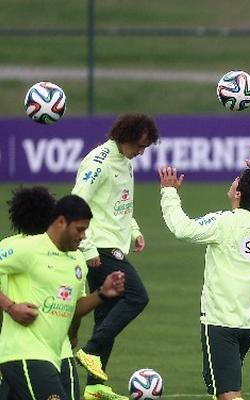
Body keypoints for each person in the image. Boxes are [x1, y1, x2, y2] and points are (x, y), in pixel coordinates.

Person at [159, 144, 250, 400]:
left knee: (227, 394)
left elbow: (183, 228)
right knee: (217, 388)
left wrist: (169, 192)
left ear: (238, 193)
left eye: (237, 180)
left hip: (220, 323)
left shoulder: (223, 222)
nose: (233, 181)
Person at [0, 194, 125, 400]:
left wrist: (102, 293)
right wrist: (11, 307)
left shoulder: (76, 260)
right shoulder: (28, 249)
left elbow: (72, 309)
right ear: (60, 222)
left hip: (54, 356)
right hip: (25, 354)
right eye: (80, 229)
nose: (84, 236)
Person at [72, 113, 159, 400]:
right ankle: (90, 350)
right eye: (139, 145)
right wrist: (86, 247)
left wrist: (134, 231)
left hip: (114, 244)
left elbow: (119, 203)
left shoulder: (124, 161)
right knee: (137, 296)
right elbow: (78, 201)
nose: (141, 152)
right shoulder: (99, 162)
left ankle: (94, 387)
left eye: (145, 147)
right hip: (100, 247)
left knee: (106, 315)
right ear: (125, 137)